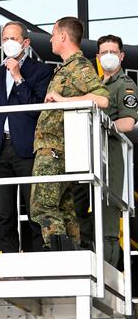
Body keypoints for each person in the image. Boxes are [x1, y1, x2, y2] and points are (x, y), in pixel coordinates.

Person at [30, 17, 109, 251]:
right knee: (63, 208)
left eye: (53, 34)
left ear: (63, 36)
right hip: (55, 148)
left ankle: (58, 254)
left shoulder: (79, 67)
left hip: (55, 149)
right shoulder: (65, 68)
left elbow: (102, 98)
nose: (51, 39)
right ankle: (73, 252)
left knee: (41, 206)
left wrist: (64, 100)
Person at [0, 21, 53, 253]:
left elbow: (36, 108)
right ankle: (9, 264)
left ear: (25, 42)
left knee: (33, 212)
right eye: (5, 39)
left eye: (13, 38)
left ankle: (35, 265)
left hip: (27, 149)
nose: (8, 43)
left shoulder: (41, 71)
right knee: (5, 214)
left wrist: (18, 76)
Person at [75, 35, 137, 265]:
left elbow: (128, 123)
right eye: (104, 53)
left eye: (113, 52)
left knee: (108, 225)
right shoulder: (95, 84)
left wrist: (103, 126)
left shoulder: (125, 85)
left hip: (110, 158)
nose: (108, 56)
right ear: (98, 58)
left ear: (121, 56)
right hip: (88, 155)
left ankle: (109, 280)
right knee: (80, 214)